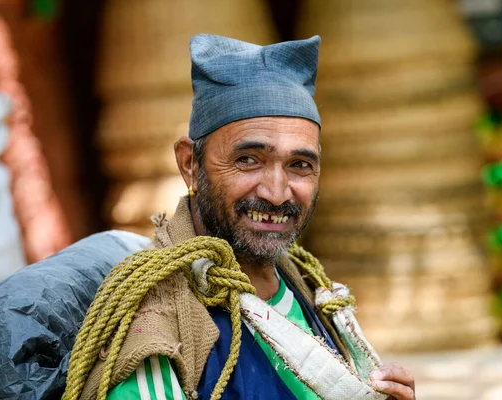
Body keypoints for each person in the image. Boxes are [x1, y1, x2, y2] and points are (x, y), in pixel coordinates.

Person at [66, 34, 415, 400]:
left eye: (299, 165)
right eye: (248, 160)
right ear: (190, 165)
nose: (277, 193)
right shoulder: (161, 330)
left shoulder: (310, 291)